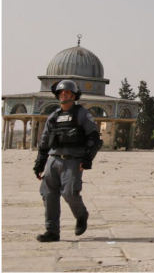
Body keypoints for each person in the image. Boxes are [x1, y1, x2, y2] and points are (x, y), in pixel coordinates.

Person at [32, 80, 102, 242]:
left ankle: (81, 215)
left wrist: (87, 159)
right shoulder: (54, 117)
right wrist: (40, 164)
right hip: (53, 160)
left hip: (72, 160)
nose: (64, 94)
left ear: (74, 95)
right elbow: (44, 142)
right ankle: (52, 231)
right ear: (58, 95)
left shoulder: (82, 114)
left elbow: (93, 138)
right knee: (48, 195)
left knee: (70, 193)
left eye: (68, 92)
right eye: (61, 92)